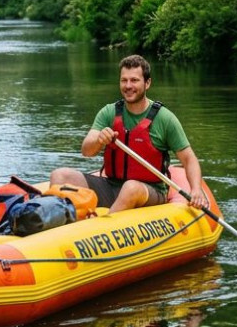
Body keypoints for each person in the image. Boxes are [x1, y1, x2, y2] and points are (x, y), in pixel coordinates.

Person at [49, 54, 209, 214]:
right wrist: (99, 140)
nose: (128, 85)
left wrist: (195, 189)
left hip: (150, 191)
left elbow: (189, 159)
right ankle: (57, 225)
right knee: (60, 175)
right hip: (112, 186)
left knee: (131, 187)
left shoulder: (165, 119)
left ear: (147, 83)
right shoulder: (108, 112)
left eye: (134, 80)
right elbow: (86, 150)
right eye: (124, 80)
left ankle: (104, 227)